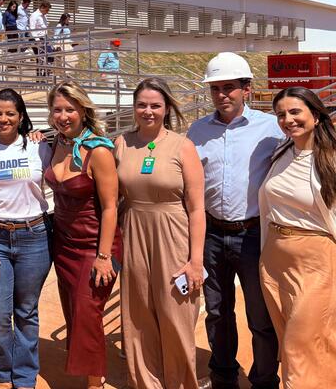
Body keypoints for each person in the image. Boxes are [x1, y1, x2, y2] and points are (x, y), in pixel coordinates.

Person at [186, 52, 283, 389]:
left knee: (261, 316)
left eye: (228, 87)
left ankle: (264, 380)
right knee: (217, 312)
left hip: (253, 235)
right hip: (211, 233)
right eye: (215, 88)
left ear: (246, 88)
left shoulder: (271, 128)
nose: (221, 94)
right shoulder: (197, 130)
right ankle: (224, 377)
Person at [115, 77, 206, 389]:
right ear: (134, 108)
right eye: (142, 105)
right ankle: (146, 382)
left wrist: (196, 261)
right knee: (138, 315)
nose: (148, 111)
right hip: (134, 232)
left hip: (173, 234)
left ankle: (180, 383)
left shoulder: (183, 146)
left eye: (155, 105)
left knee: (175, 314)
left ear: (167, 108)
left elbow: (197, 208)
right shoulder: (122, 143)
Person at [0, 88, 52, 389]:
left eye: (10, 113)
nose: (3, 119)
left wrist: (41, 136)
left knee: (26, 310)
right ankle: (2, 372)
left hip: (34, 237)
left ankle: (25, 375)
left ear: (21, 116)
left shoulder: (39, 147)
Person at [43, 82, 121, 389]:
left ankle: (94, 383)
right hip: (64, 246)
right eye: (57, 110)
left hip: (95, 246)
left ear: (83, 111)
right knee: (75, 314)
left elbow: (111, 207)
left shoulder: (98, 150)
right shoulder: (54, 143)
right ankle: (91, 373)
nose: (63, 116)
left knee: (87, 314)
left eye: (70, 109)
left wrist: (104, 256)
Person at [258, 87, 336, 387]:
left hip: (317, 261)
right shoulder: (282, 152)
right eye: (281, 114)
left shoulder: (330, 157)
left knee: (300, 341)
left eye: (295, 112)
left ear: (315, 115)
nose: (288, 120)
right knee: (292, 340)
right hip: (274, 259)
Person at [28, 1, 51, 76]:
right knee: (40, 59)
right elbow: (32, 28)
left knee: (49, 56)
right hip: (37, 39)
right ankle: (40, 77)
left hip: (44, 38)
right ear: (42, 8)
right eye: (46, 10)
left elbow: (44, 27)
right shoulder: (34, 15)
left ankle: (45, 75)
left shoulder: (44, 16)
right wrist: (37, 40)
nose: (47, 12)